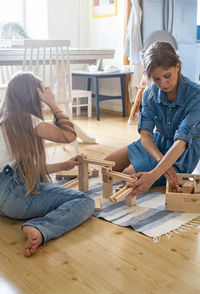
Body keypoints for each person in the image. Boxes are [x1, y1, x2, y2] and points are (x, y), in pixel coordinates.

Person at [0, 71, 94, 257]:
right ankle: (39, 227)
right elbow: (69, 135)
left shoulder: (6, 117)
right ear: (33, 95)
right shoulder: (26, 118)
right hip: (11, 197)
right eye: (41, 92)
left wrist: (63, 165)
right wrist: (52, 103)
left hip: (3, 196)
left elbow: (23, 170)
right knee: (84, 201)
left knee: (42, 184)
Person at [104, 41, 200, 197]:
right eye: (156, 79)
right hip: (155, 145)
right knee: (106, 164)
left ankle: (148, 172)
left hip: (180, 154)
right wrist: (161, 162)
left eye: (167, 76)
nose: (163, 83)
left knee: (129, 175)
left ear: (177, 66)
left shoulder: (196, 96)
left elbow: (181, 143)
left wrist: (155, 174)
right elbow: (145, 135)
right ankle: (151, 167)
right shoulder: (150, 93)